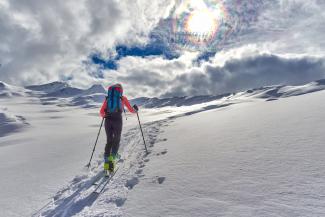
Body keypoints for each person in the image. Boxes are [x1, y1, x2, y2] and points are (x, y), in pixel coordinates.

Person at [99, 83, 138, 174]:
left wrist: (105, 115)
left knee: (109, 141)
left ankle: (106, 164)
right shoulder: (122, 98)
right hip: (117, 120)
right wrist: (135, 110)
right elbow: (131, 110)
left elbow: (101, 112)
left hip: (108, 120)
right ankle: (111, 164)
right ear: (120, 90)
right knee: (116, 140)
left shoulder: (107, 99)